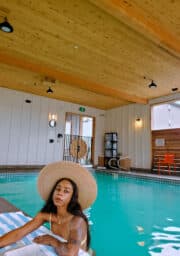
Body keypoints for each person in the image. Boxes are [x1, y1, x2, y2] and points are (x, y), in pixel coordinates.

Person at [0, 161, 97, 256]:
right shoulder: (47, 215)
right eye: (58, 189)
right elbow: (20, 233)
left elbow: (71, 253)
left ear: (72, 197)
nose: (60, 193)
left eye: (66, 191)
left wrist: (53, 241)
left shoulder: (77, 220)